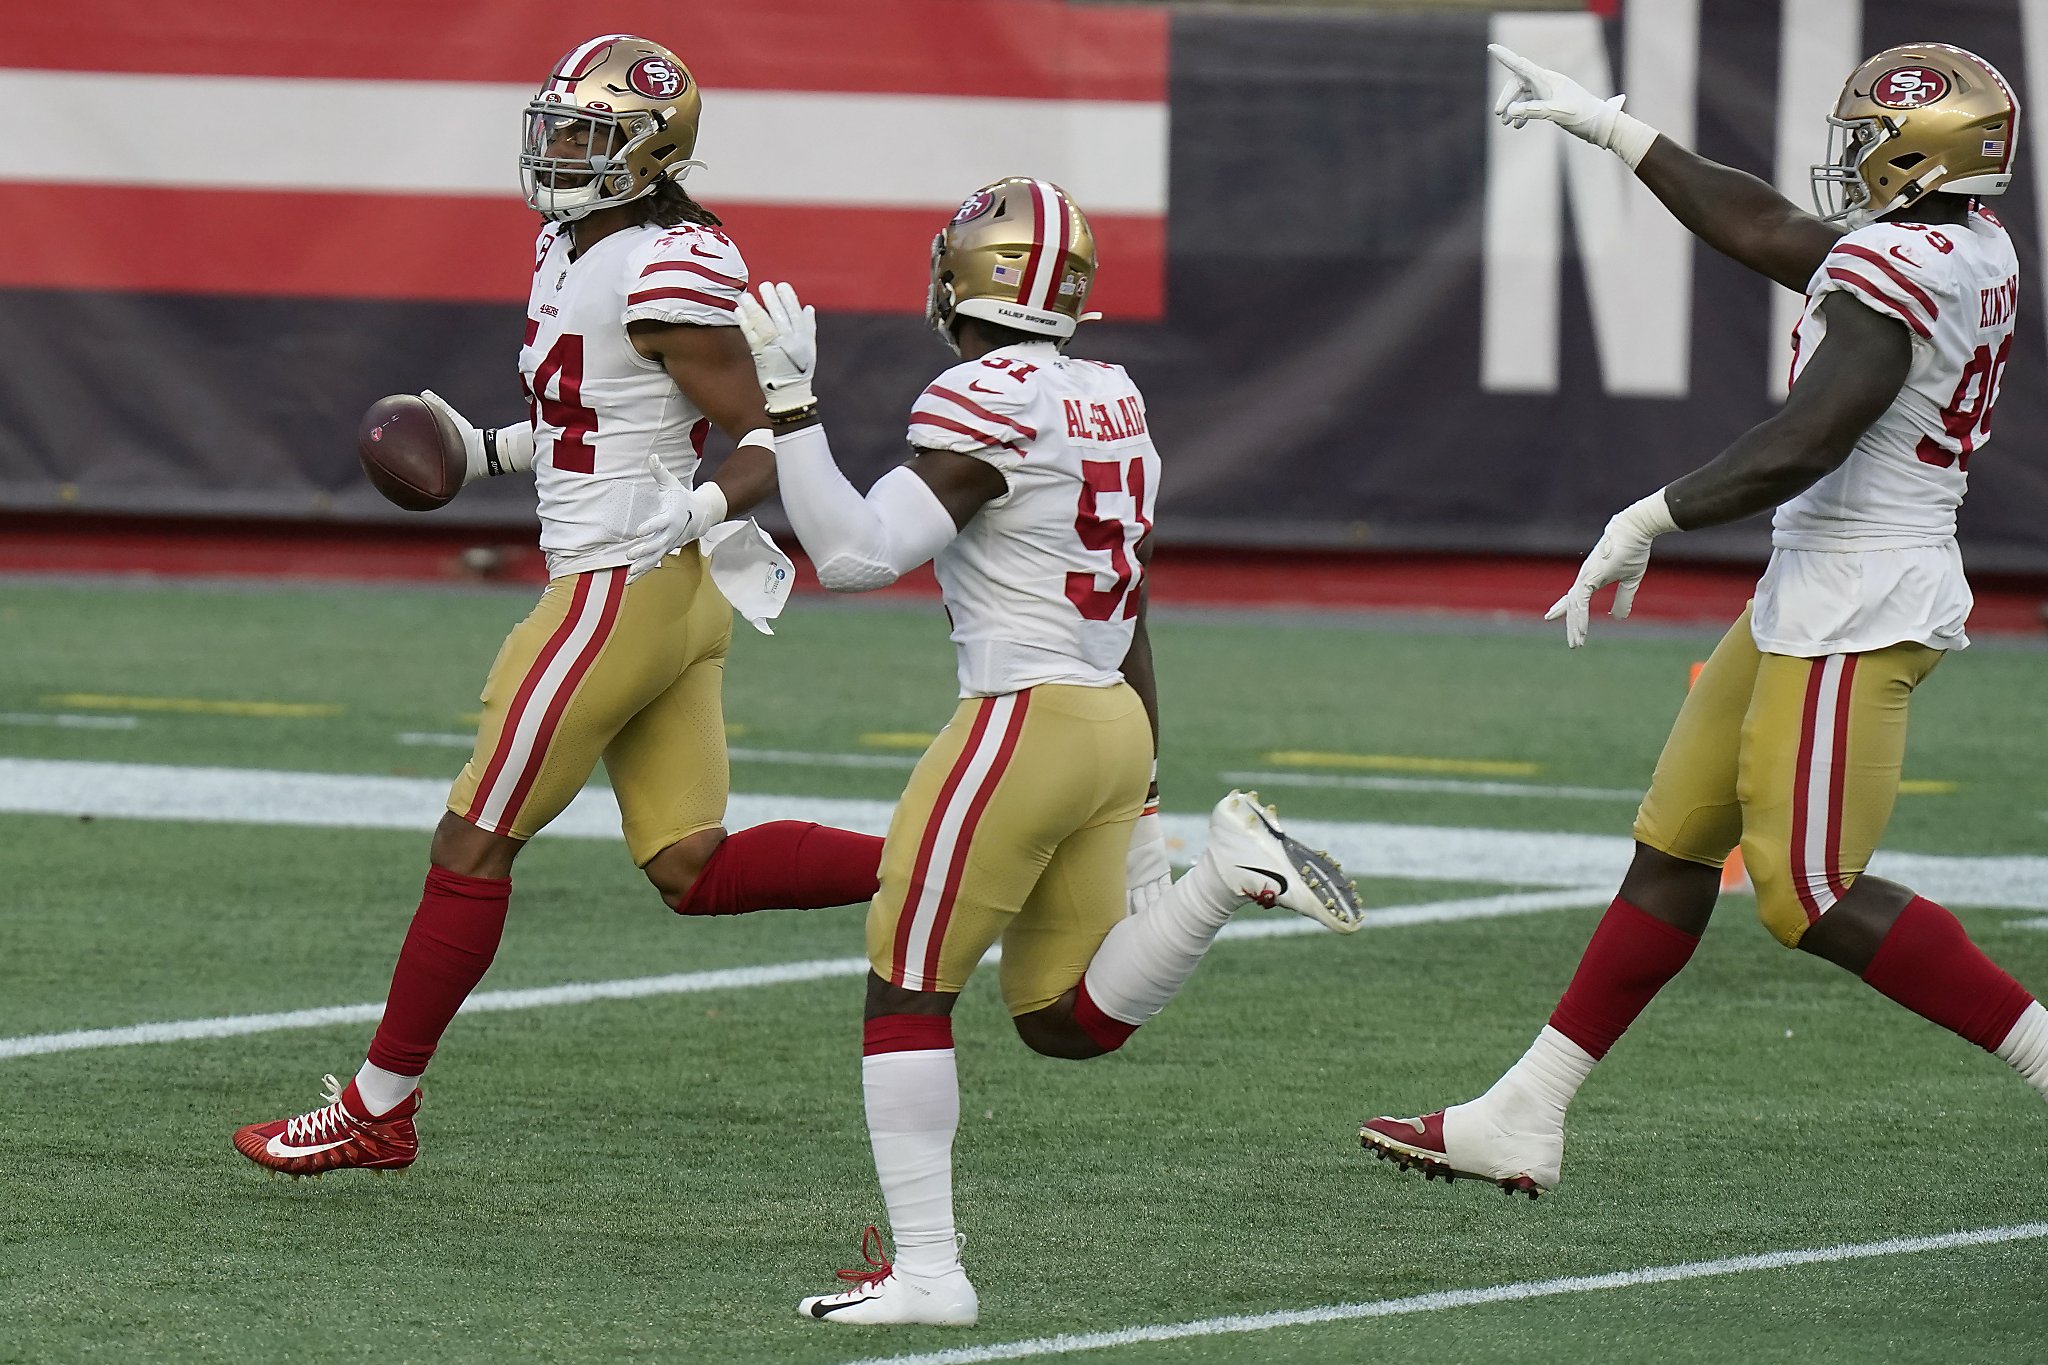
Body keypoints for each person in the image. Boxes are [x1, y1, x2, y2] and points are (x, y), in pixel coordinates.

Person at [1360, 43, 2045, 1197]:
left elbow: (1805, 439)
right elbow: (1768, 229)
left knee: (1809, 890)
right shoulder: (1963, 245)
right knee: (1674, 847)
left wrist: (1644, 517)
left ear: (1916, 154)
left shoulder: (1906, 268)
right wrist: (1619, 133)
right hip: (1819, 578)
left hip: (1858, 596)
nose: (1845, 159)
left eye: (1864, 136)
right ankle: (1523, 1114)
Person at [233, 35, 885, 1177]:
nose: (559, 149)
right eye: (557, 126)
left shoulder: (660, 267)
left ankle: (378, 1108)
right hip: (663, 594)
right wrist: (486, 450)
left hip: (619, 592)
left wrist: (687, 511)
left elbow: (770, 441)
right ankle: (948, 856)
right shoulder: (575, 245)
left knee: (471, 843)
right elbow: (597, 417)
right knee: (691, 867)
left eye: (588, 135)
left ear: (648, 154)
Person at [734, 177, 1367, 1326]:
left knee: (905, 987)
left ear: (969, 275)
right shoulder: (1110, 393)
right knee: (1059, 1019)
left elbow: (858, 556)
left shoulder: (983, 396)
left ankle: (929, 1274)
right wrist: (1149, 786)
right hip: (1107, 715)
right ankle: (1222, 878)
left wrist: (788, 405)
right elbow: (1134, 600)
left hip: (1024, 719)